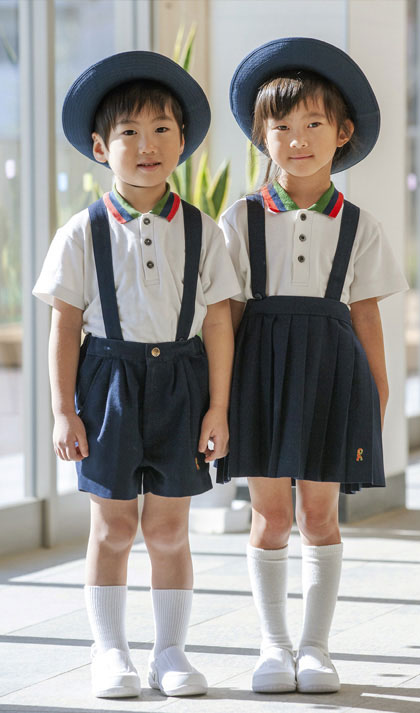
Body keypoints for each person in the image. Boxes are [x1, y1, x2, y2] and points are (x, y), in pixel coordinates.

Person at [33, 50, 240, 700]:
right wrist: (65, 409)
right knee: (114, 525)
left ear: (183, 140)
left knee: (170, 527)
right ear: (101, 145)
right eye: (129, 132)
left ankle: (172, 652)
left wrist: (219, 407)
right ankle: (109, 649)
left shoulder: (205, 232)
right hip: (109, 383)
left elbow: (218, 324)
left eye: (161, 130)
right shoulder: (81, 233)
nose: (146, 145)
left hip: (182, 384)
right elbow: (64, 326)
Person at [218, 37, 408, 694]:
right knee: (269, 514)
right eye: (282, 126)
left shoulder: (360, 226)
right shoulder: (240, 219)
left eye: (313, 124)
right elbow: (227, 316)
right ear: (261, 136)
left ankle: (316, 647)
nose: (297, 139)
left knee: (321, 515)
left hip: (332, 378)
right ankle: (273, 645)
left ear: (342, 132)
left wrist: (377, 396)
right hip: (260, 376)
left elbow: (366, 319)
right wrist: (221, 398)